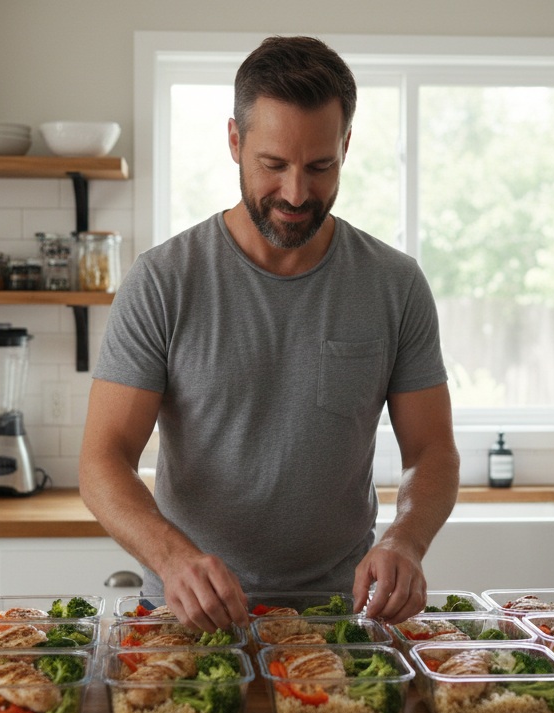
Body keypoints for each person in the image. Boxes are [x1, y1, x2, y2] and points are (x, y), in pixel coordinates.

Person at [79, 35, 459, 632]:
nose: (296, 193)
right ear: (235, 141)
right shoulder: (163, 281)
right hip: (190, 613)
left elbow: (433, 451)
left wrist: (406, 541)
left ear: (347, 147)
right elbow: (103, 460)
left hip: (341, 616)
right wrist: (173, 558)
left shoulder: (394, 284)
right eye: (273, 165)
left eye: (320, 166)